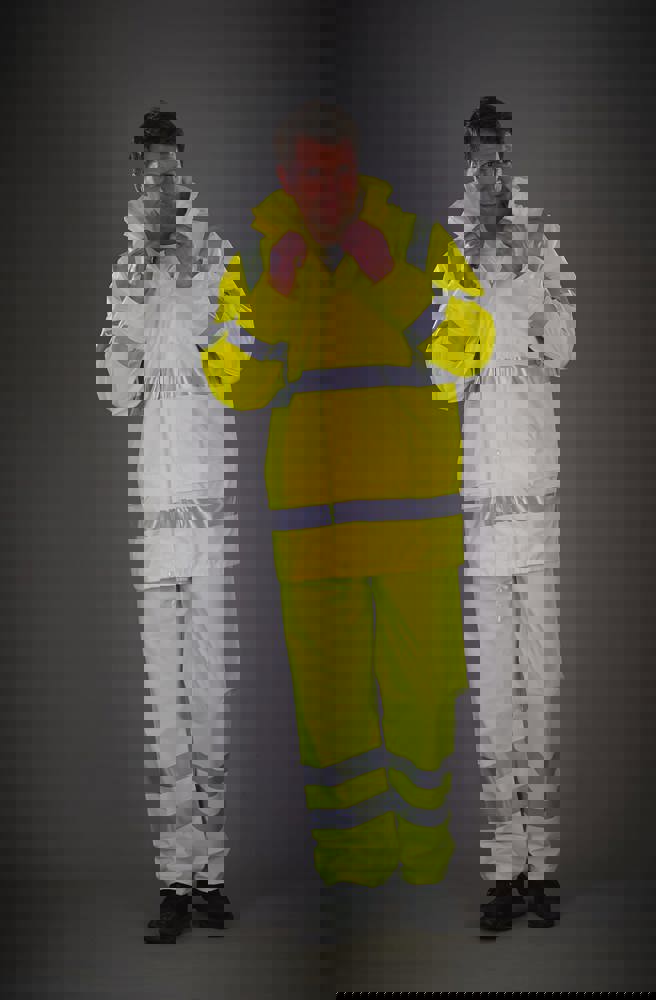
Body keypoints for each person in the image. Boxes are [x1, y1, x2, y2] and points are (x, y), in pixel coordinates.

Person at [199, 100, 494, 888]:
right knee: (331, 710)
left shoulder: (418, 244)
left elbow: (463, 360)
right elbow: (234, 383)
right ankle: (356, 859)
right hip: (313, 535)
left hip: (414, 530)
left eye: (333, 169)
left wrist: (387, 273)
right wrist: (281, 290)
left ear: (355, 160)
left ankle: (426, 859)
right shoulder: (258, 265)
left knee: (422, 694)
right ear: (283, 171)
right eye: (305, 171)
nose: (321, 187)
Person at [427, 96, 575, 931]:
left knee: (541, 695)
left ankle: (543, 869)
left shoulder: (542, 241)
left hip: (539, 515)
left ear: (511, 158)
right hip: (484, 518)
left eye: (500, 154)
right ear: (468, 159)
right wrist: (471, 313)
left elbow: (566, 347)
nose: (490, 168)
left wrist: (532, 286)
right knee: (494, 704)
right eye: (479, 154)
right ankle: (503, 873)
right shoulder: (454, 254)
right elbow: (441, 381)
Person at [96, 106, 239, 942]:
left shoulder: (219, 259)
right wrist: (139, 317)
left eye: (170, 167)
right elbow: (114, 396)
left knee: (209, 697)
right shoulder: (126, 273)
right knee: (165, 708)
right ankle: (174, 884)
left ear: (184, 171)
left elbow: (239, 372)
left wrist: (199, 305)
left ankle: (211, 878)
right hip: (155, 516)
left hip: (209, 516)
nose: (161, 181)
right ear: (138, 177)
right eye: (148, 169)